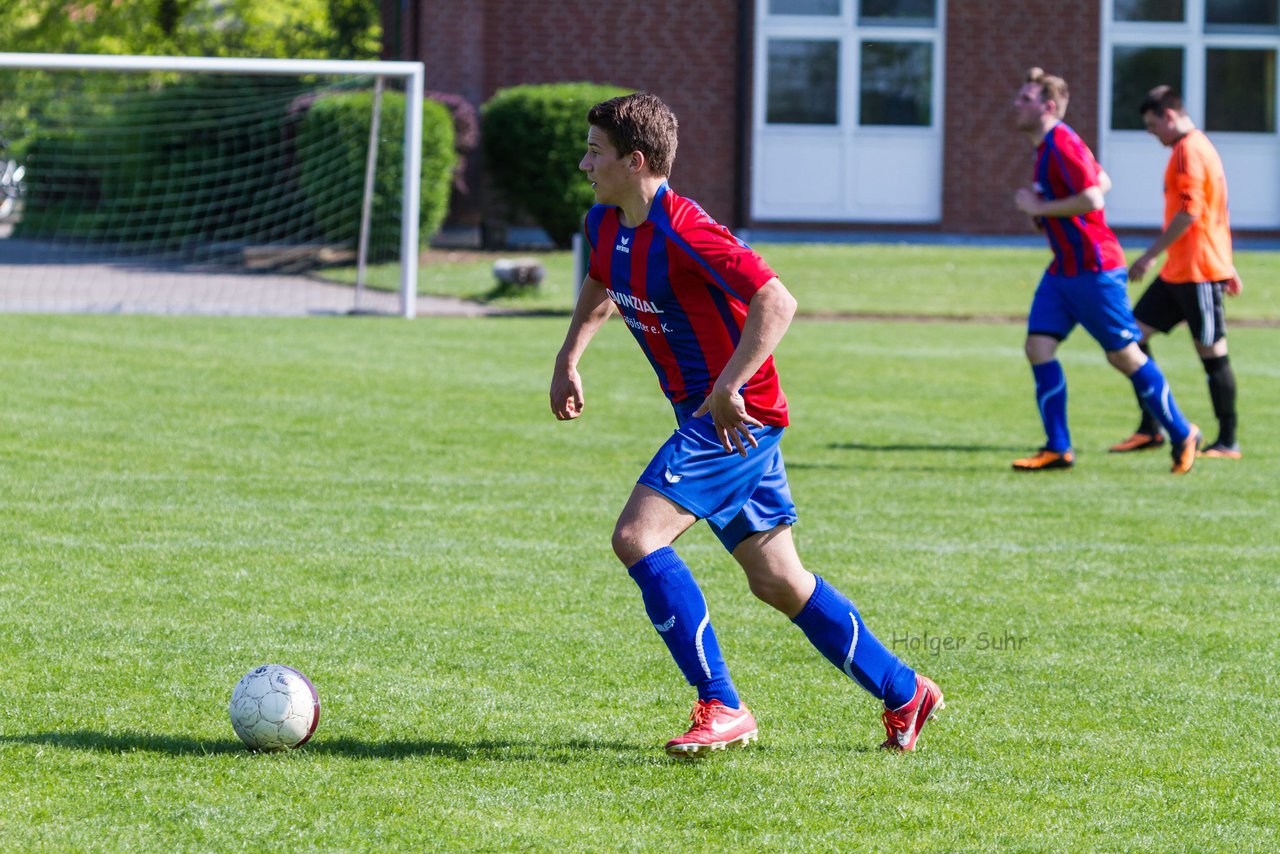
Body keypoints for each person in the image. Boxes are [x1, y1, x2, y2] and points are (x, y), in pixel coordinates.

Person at [549, 93, 942, 758]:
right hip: (711, 414)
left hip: (732, 419)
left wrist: (730, 385)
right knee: (778, 580)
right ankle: (905, 690)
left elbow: (776, 299)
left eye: (595, 151)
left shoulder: (687, 229)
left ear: (635, 160)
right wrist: (568, 357)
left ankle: (722, 705)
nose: (585, 162)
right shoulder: (606, 222)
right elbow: (600, 282)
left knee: (636, 537)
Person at [1010, 68, 1200, 474]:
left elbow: (1094, 196)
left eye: (1025, 98)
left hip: (1095, 268)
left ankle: (1183, 432)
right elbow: (1104, 179)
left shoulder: (1062, 143)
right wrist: (1044, 214)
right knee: (1038, 348)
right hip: (1063, 269)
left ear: (1047, 107)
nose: (1016, 104)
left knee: (1124, 356)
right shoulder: (1044, 147)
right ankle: (1058, 448)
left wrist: (1040, 209)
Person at [1110, 85, 1242, 459]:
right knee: (1130, 338)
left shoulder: (1188, 152)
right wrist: (1228, 262)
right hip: (1179, 271)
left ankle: (1228, 441)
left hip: (1197, 272)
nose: (1153, 135)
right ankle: (1150, 427)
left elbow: (1192, 212)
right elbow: (1218, 212)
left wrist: (1150, 255)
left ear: (1170, 116)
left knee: (1212, 354)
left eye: (1154, 127)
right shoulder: (1197, 147)